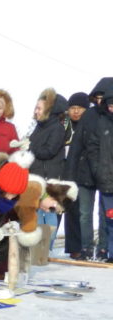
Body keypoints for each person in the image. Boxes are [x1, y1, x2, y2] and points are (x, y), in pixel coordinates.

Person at [66, 77, 113, 260]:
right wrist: (70, 173)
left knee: (105, 214)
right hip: (86, 171)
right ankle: (86, 247)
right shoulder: (90, 115)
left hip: (106, 172)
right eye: (98, 97)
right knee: (85, 213)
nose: (101, 100)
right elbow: (77, 145)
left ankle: (103, 248)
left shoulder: (108, 115)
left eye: (104, 97)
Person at [28, 88, 69, 249]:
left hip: (49, 177)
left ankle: (45, 248)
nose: (36, 111)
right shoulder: (39, 127)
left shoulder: (57, 128)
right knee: (38, 213)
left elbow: (49, 151)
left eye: (39, 108)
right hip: (37, 175)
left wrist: (30, 148)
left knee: (49, 212)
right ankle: (38, 247)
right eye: (36, 108)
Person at [85, 89, 113, 262]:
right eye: (110, 105)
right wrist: (97, 169)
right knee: (110, 217)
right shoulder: (101, 123)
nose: (112, 109)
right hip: (107, 178)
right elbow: (93, 147)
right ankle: (111, 252)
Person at [63, 91, 91, 257]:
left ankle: (86, 247)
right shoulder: (64, 125)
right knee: (70, 210)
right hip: (66, 172)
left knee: (84, 211)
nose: (76, 111)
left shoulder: (90, 125)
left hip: (85, 172)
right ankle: (74, 248)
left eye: (80, 108)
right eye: (72, 107)